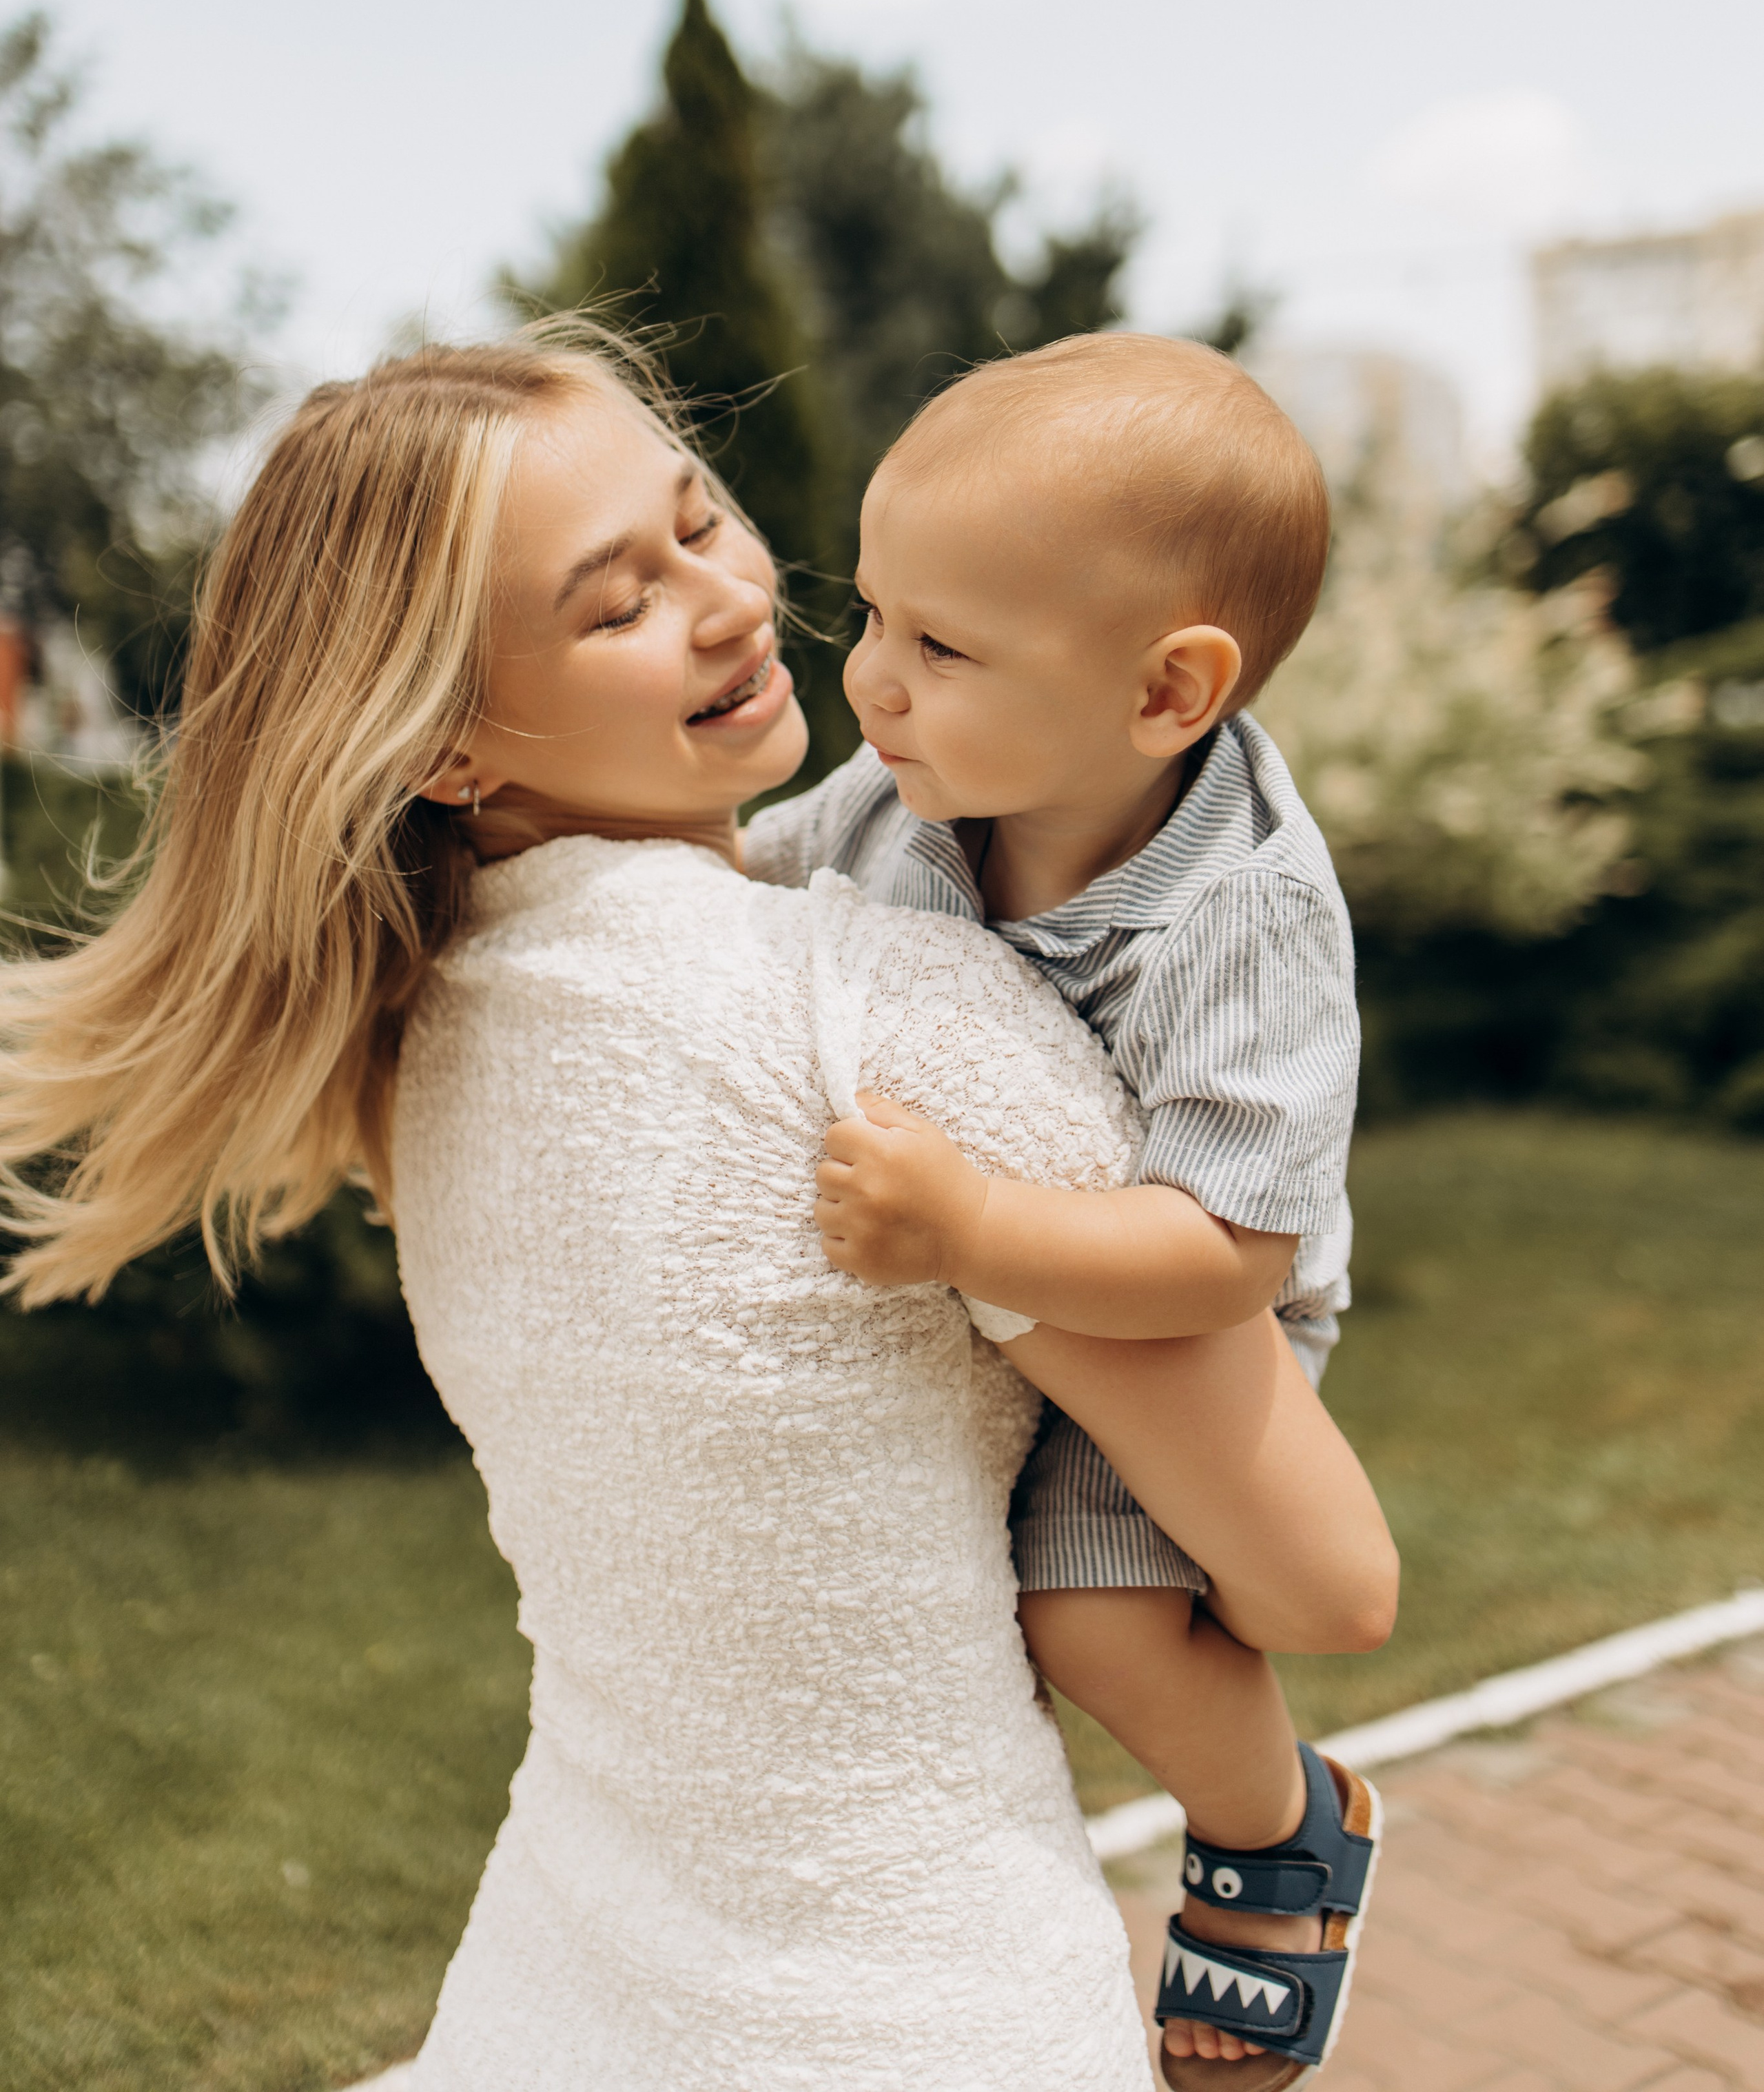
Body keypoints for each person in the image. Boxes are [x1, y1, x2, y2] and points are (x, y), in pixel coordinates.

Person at [0, 330, 1165, 2091]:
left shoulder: (434, 1040)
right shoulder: (880, 1014)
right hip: (923, 2006)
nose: (725, 604)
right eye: (613, 604)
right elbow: (1326, 1577)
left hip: (574, 1978)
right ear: (446, 745)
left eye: (699, 521)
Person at [745, 332, 1399, 2090]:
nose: (867, 682)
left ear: (1167, 695)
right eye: (870, 612)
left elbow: (1228, 1248)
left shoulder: (1239, 913)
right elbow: (741, 880)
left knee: (1086, 1619)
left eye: (938, 645)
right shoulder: (900, 793)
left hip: (1189, 1309)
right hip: (1007, 1296)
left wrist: (971, 1230)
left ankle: (1281, 1832)